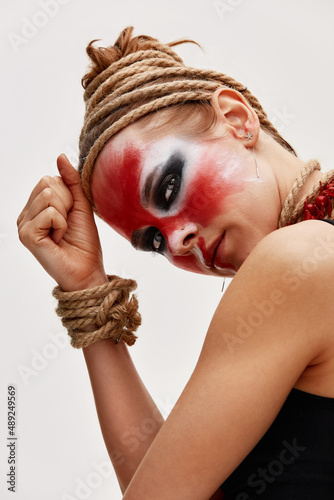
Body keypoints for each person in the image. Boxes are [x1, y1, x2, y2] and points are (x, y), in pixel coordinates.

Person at [17, 26, 334, 499]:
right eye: (153, 242)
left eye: (168, 187)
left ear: (237, 118)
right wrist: (86, 290)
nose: (179, 240)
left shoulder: (300, 258)